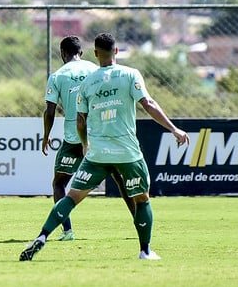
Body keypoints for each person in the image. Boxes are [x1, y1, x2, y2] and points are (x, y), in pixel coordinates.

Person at [21, 32, 189, 262]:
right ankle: (145, 250)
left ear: (96, 53)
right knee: (141, 198)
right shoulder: (130, 74)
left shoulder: (87, 83)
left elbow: (80, 121)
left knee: (70, 196)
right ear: (116, 51)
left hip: (97, 152)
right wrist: (174, 129)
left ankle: (42, 236)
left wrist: (85, 144)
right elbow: (148, 104)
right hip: (127, 151)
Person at [42, 36, 136, 241]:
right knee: (120, 179)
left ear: (62, 53)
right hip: (100, 134)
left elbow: (49, 111)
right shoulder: (94, 70)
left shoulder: (57, 76)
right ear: (81, 53)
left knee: (59, 183)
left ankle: (67, 231)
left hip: (73, 138)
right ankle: (139, 221)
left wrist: (46, 136)